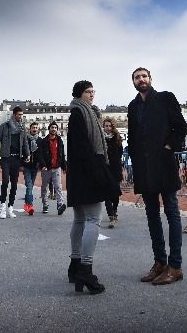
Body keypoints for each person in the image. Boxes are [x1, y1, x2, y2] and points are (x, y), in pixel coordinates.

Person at [128, 67, 187, 286]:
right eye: (137, 77)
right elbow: (133, 136)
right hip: (144, 168)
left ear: (150, 79)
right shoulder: (133, 106)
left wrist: (169, 146)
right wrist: (134, 158)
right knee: (152, 215)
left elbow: (180, 127)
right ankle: (160, 262)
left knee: (172, 212)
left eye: (144, 76)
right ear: (133, 82)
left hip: (163, 164)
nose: (141, 79)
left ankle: (175, 265)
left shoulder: (165, 98)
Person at [66, 80, 117, 294]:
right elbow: (82, 146)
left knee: (80, 219)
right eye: (88, 92)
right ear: (79, 94)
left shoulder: (82, 112)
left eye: (93, 91)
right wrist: (96, 170)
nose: (92, 95)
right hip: (88, 171)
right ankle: (86, 270)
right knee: (93, 219)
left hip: (78, 172)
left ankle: (75, 265)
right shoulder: (80, 112)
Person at [0, 106, 31, 219]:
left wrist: (27, 154)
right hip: (6, 158)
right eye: (19, 115)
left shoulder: (22, 128)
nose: (21, 117)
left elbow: (25, 142)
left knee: (14, 184)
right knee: (5, 181)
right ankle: (3, 206)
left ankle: (10, 207)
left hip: (16, 159)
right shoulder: (4, 126)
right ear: (14, 115)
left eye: (22, 115)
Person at [37, 121, 67, 214]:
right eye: (52, 127)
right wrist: (43, 165)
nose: (54, 129)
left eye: (55, 128)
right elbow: (40, 154)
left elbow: (62, 154)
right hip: (46, 168)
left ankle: (60, 205)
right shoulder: (44, 141)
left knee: (58, 186)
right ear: (49, 129)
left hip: (56, 167)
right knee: (44, 187)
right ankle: (45, 205)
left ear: (57, 130)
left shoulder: (60, 140)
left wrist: (64, 166)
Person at [102, 117, 124, 229]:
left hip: (115, 169)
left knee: (115, 193)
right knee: (107, 194)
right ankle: (111, 216)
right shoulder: (101, 138)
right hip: (105, 169)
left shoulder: (117, 138)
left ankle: (114, 211)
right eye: (106, 126)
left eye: (110, 126)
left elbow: (120, 152)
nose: (108, 128)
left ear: (113, 127)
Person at [22, 122, 42, 215]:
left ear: (38, 129)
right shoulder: (25, 139)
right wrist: (22, 163)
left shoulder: (40, 140)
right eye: (33, 127)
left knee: (30, 186)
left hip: (35, 167)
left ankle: (26, 204)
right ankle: (30, 206)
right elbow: (21, 152)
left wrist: (40, 164)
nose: (34, 129)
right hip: (27, 167)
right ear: (30, 129)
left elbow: (41, 154)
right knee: (29, 186)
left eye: (36, 128)